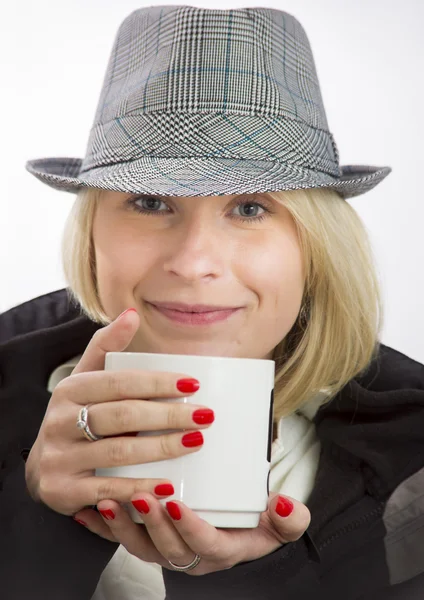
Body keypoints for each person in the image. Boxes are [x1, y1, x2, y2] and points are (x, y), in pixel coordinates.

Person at [1, 5, 424, 600]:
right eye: (150, 201)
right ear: (92, 230)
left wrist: (256, 580)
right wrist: (34, 517)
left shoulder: (413, 460)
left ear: (317, 246)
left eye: (251, 207)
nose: (194, 261)